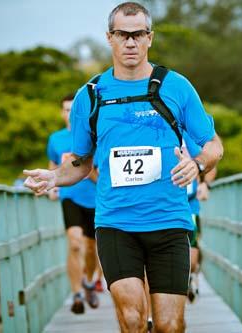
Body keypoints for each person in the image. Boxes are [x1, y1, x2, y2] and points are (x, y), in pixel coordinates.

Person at [24, 2, 223, 332]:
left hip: (170, 222)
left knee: (170, 325)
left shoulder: (177, 87)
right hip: (116, 223)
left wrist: (198, 164)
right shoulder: (90, 95)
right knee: (131, 319)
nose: (130, 42)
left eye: (138, 35)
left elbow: (214, 145)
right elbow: (82, 162)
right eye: (122, 35)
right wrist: (54, 176)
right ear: (110, 38)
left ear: (150, 38)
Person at [46, 93, 100, 314]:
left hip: (95, 198)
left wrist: (88, 170)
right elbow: (52, 162)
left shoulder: (93, 136)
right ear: (62, 113)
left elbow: (100, 171)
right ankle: (77, 294)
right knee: (75, 243)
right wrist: (52, 184)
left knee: (91, 247)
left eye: (73, 109)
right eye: (66, 110)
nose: (69, 114)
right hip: (70, 197)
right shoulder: (56, 139)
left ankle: (89, 281)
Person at [182, 134, 217, 303]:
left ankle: (189, 275)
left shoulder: (189, 137)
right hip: (163, 204)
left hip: (190, 203)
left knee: (192, 243)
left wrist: (205, 184)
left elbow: (211, 162)